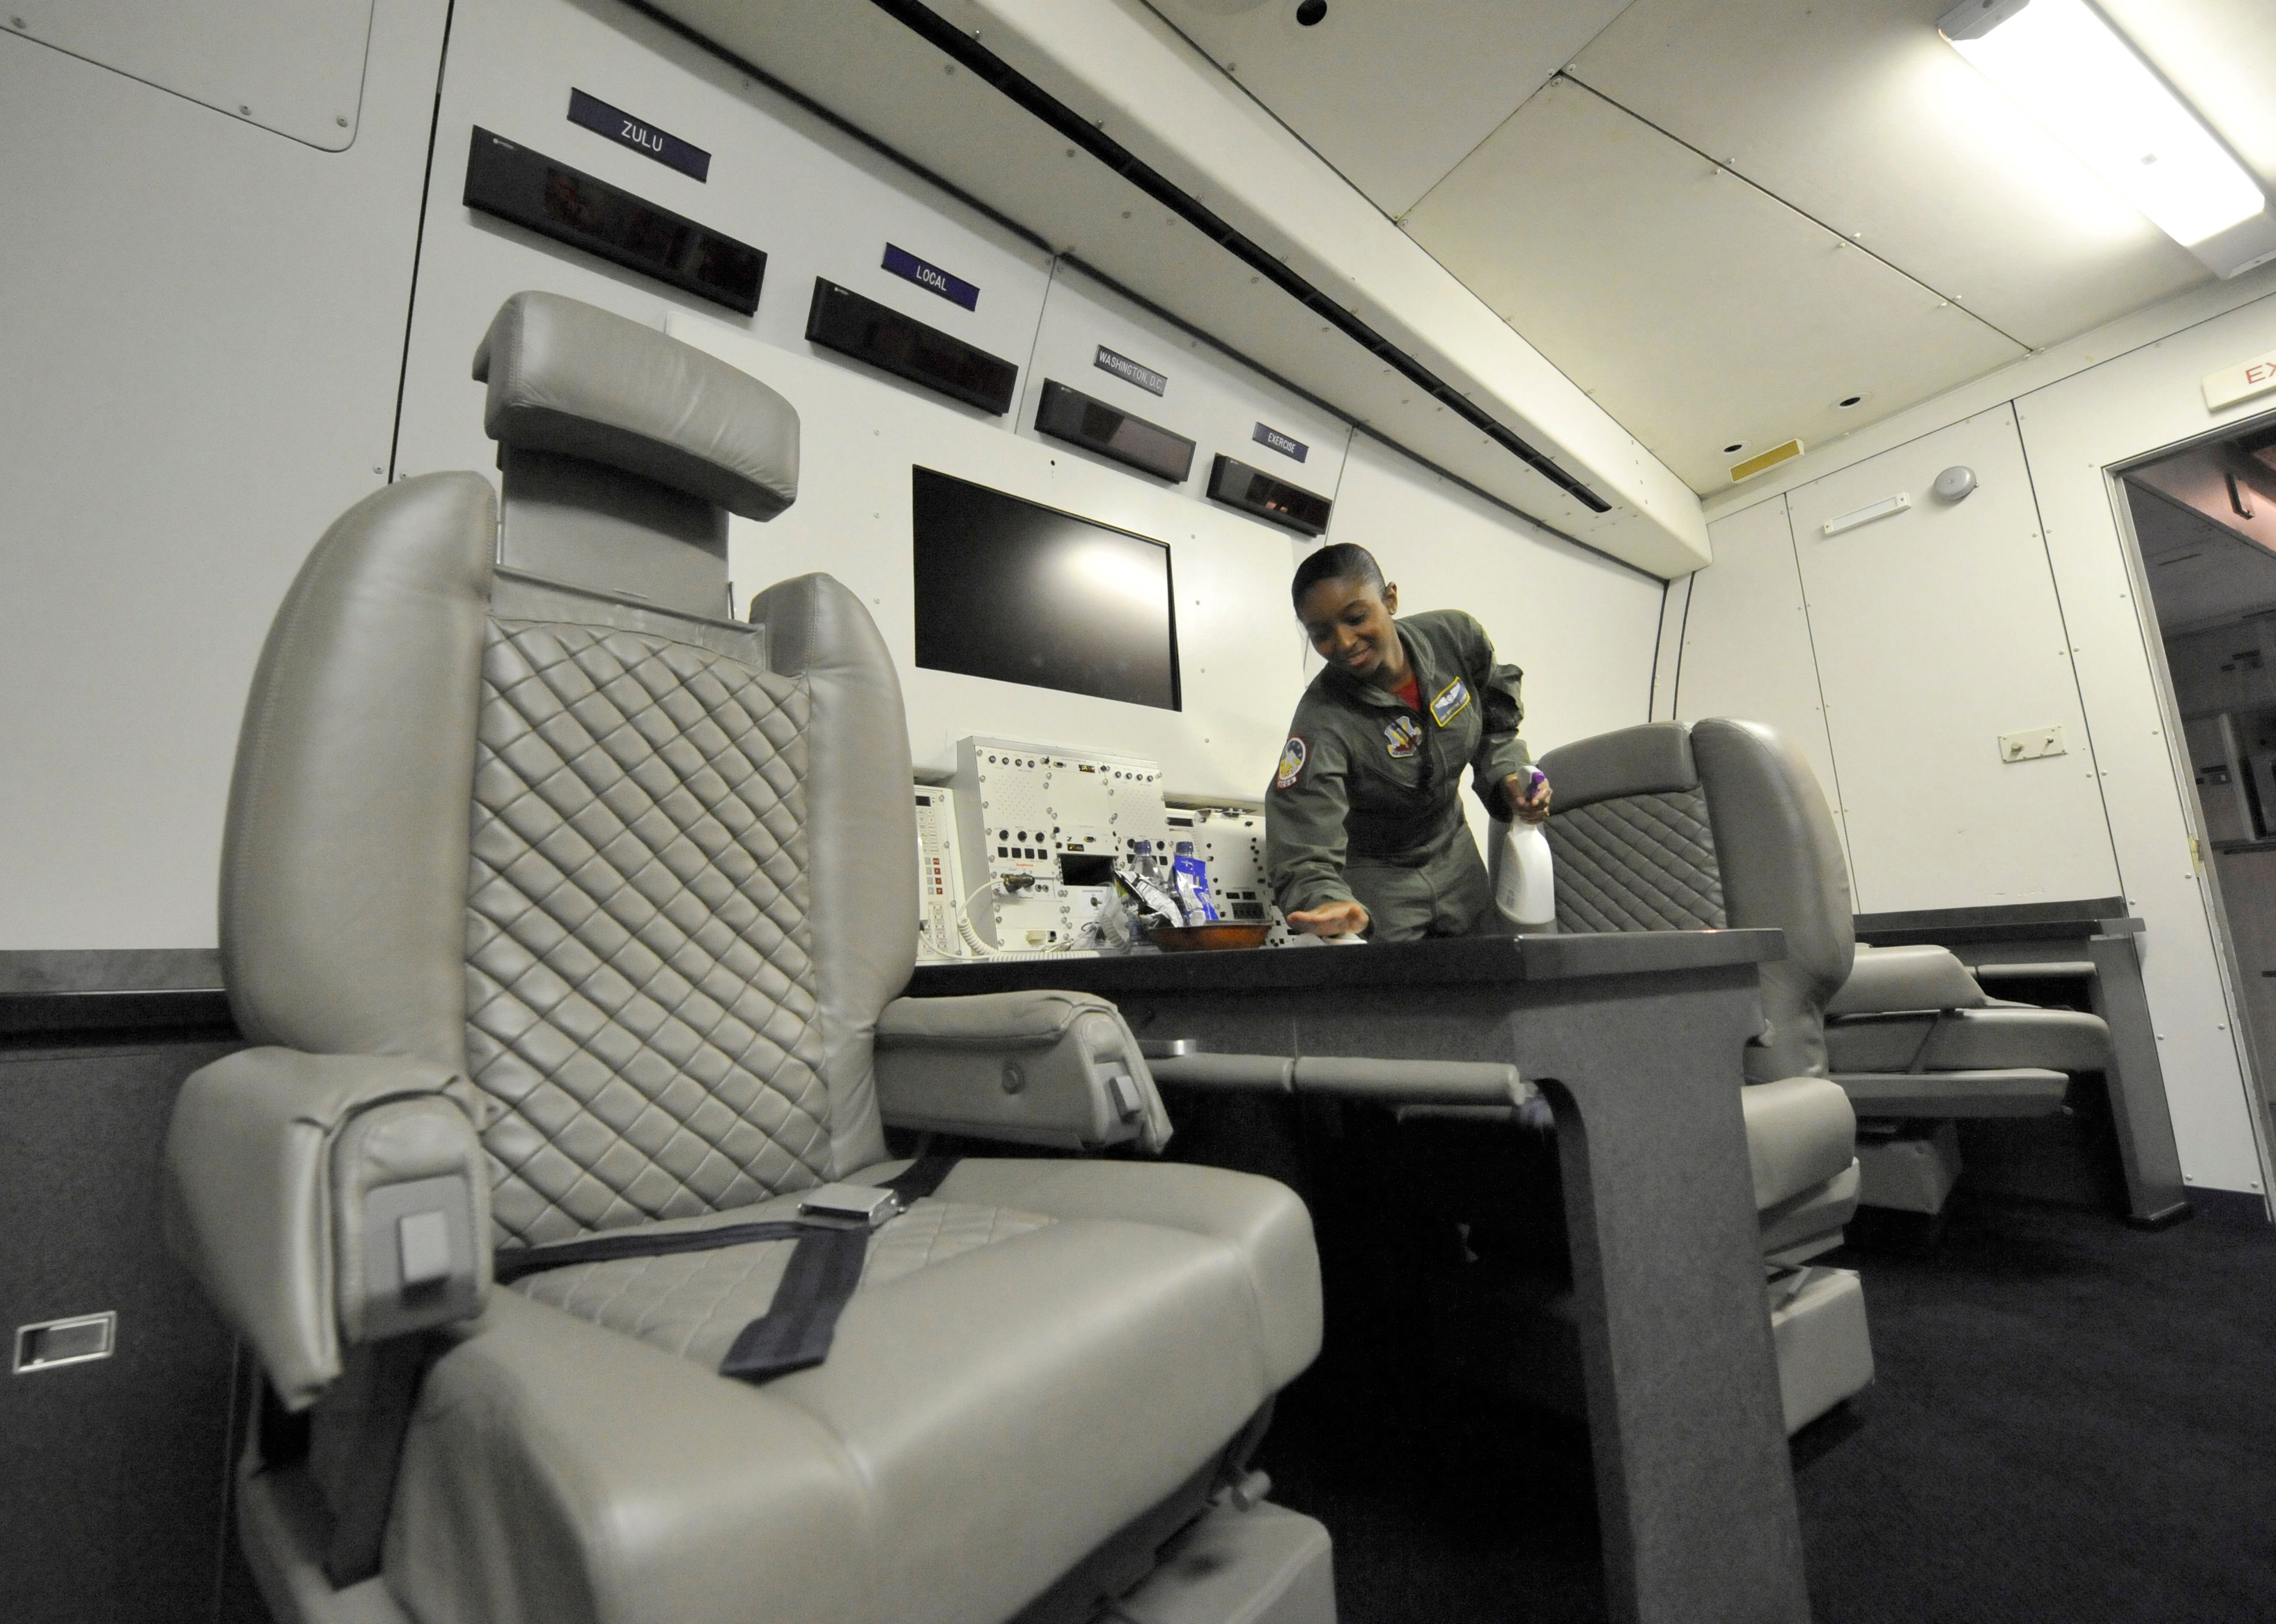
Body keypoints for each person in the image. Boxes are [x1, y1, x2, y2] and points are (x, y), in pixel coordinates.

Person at [1264, 542, 1551, 940]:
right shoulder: (1322, 719)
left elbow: (1495, 720)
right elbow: (1301, 838)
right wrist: (1325, 898)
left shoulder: (1455, 639)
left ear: (1391, 598)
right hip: (1378, 876)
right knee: (1402, 998)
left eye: (1356, 617)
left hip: (1454, 852)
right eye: (1322, 634)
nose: (1344, 643)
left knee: (1488, 984)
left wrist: (1507, 774)